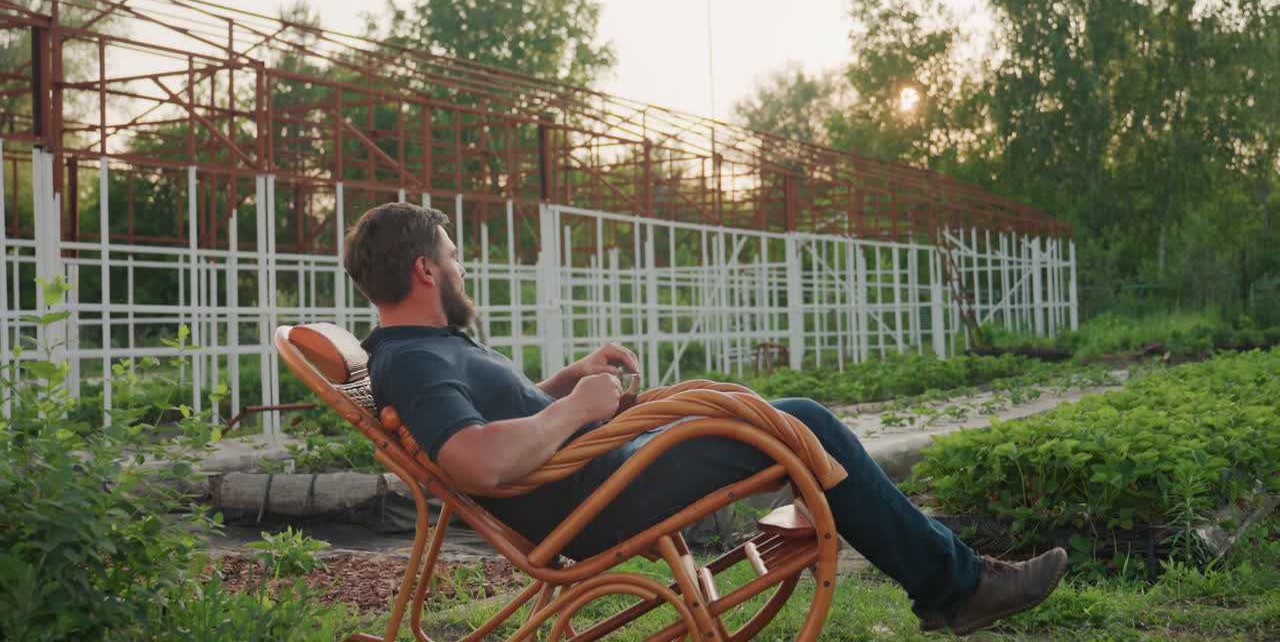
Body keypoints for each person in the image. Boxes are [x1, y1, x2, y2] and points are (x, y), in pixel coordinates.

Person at [343, 202, 1068, 636]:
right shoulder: (414, 361)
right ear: (425, 272)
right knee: (801, 422)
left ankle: (955, 581)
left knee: (788, 419)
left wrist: (563, 382)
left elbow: (493, 423)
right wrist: (573, 409)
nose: (462, 268)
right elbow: (478, 459)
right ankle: (958, 588)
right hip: (600, 497)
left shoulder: (425, 350)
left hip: (601, 473)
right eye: (453, 256)